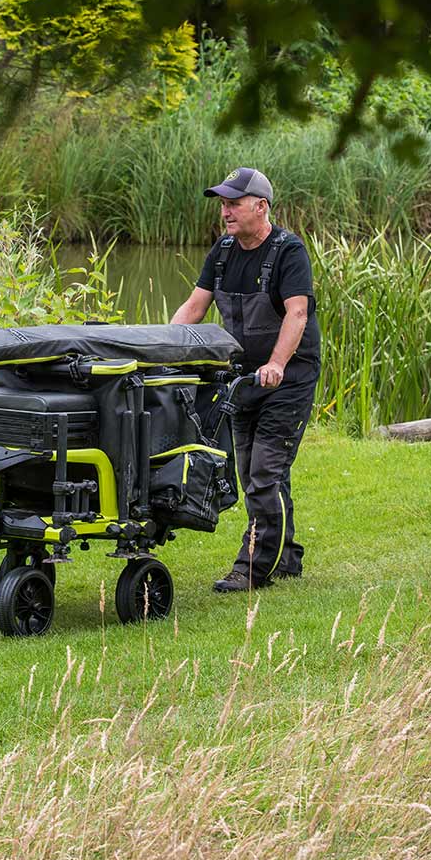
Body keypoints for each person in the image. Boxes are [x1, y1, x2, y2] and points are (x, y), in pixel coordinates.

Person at [170, 167, 321, 592]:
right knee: (255, 472)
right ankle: (286, 557)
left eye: (234, 204)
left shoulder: (288, 251)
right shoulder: (222, 252)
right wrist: (161, 347)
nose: (226, 212)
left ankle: (253, 567)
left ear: (261, 206)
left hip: (287, 379)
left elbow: (297, 313)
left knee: (264, 474)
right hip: (240, 380)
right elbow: (194, 307)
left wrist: (277, 364)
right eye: (223, 204)